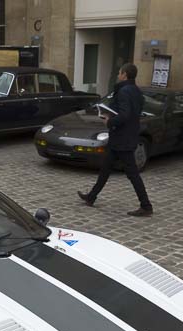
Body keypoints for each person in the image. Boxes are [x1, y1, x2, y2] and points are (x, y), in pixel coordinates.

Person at [77, 63, 154, 217]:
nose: (118, 75)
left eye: (119, 72)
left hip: (122, 138)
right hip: (124, 136)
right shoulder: (136, 91)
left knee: (132, 173)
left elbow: (125, 114)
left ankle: (146, 205)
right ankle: (92, 196)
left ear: (124, 74)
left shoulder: (125, 91)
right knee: (105, 169)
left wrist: (109, 121)